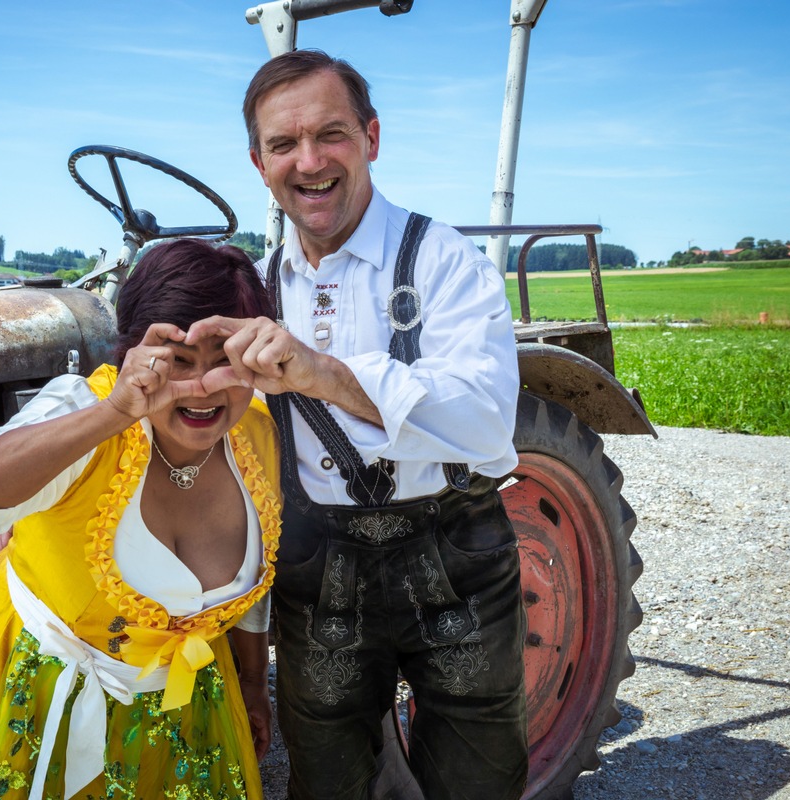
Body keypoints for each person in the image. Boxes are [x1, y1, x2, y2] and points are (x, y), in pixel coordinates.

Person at [188, 50, 527, 800]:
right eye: (283, 144)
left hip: (455, 554)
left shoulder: (444, 261)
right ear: (258, 161)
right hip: (321, 568)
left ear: (372, 137)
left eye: (331, 134)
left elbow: (487, 422)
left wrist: (322, 374)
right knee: (328, 782)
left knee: (480, 780)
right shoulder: (254, 286)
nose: (309, 161)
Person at [0, 238, 281, 800]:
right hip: (47, 705)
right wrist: (115, 411)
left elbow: (257, 576)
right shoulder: (88, 410)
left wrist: (255, 683)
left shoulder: (256, 435)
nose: (204, 389)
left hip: (191, 710)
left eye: (227, 362)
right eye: (178, 361)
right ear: (131, 354)